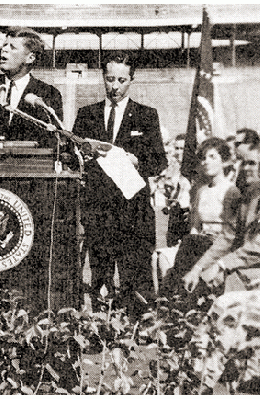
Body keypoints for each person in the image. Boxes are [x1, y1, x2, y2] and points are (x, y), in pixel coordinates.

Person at [72, 52, 167, 316]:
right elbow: (74, 158)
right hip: (98, 213)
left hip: (134, 215)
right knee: (100, 278)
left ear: (131, 81)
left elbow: (159, 161)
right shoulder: (86, 115)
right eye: (110, 78)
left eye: (122, 80)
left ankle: (138, 333)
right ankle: (101, 330)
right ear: (103, 78)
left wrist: (136, 160)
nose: (115, 86)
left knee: (135, 279)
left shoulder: (147, 116)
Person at [184, 138, 260, 293]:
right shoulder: (253, 194)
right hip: (243, 267)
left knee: (228, 290)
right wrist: (198, 267)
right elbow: (229, 235)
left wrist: (222, 265)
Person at [159, 138, 240, 302]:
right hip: (197, 241)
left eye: (212, 157)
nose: (206, 162)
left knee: (191, 250)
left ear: (224, 161)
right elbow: (195, 226)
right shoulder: (201, 191)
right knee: (164, 255)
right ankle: (172, 302)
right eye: (203, 158)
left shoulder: (231, 191)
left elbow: (231, 232)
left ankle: (178, 298)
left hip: (218, 244)